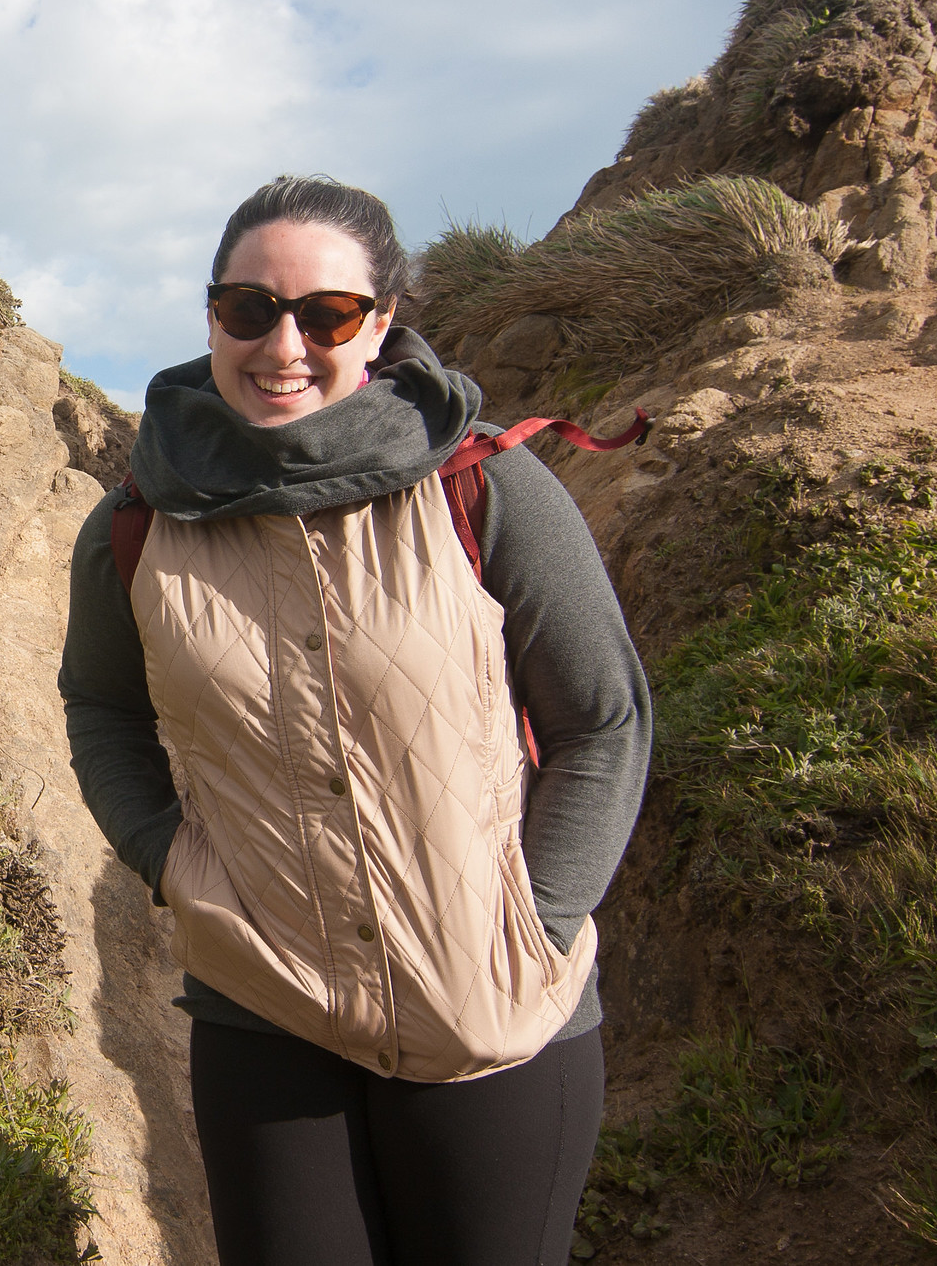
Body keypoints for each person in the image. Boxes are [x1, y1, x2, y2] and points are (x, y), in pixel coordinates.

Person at [58, 175, 651, 1266]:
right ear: (210, 316)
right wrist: (170, 865)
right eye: (248, 309)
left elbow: (602, 724)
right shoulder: (136, 519)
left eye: (323, 314)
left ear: (379, 325)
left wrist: (536, 925)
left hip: (495, 1019)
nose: (281, 344)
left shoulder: (485, 486)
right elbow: (97, 705)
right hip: (262, 1010)